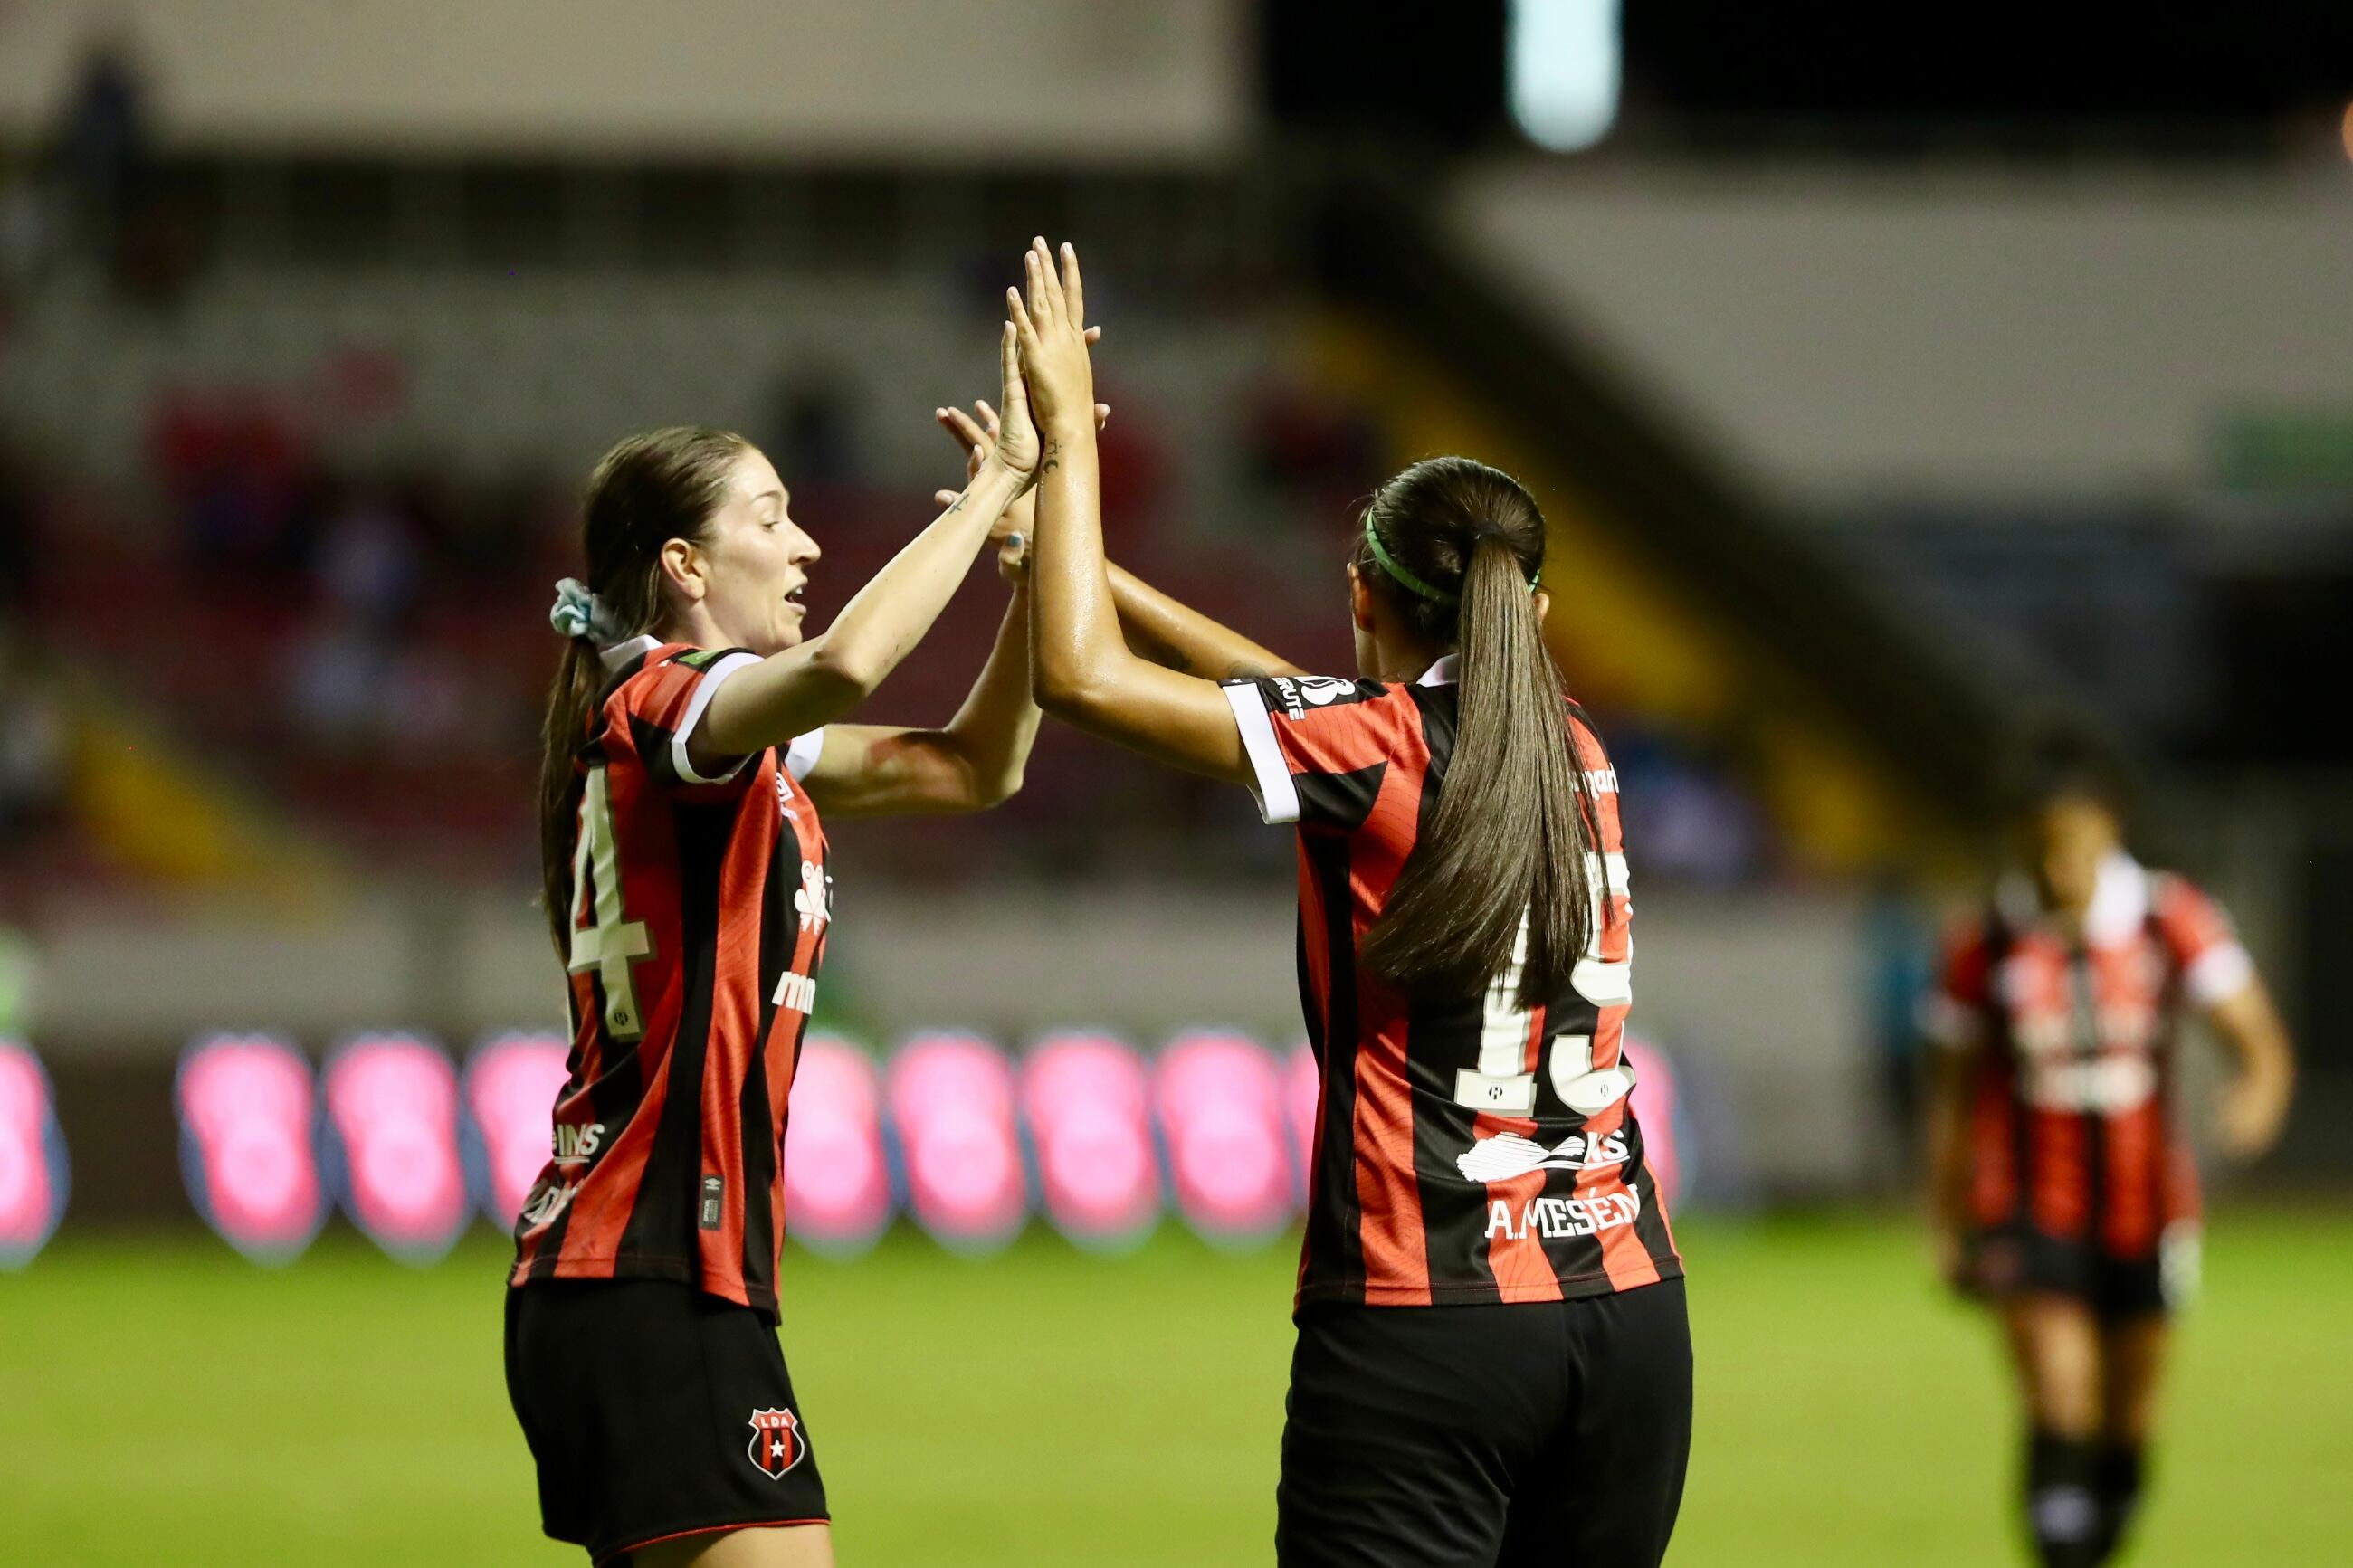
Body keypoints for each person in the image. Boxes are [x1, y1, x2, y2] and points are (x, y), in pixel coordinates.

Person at [1009, 238, 1689, 1567]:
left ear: (1361, 591)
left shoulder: (1371, 754)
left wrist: (1062, 459)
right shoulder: (1578, 753)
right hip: (1626, 1316)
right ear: (1533, 616)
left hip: (1428, 1309)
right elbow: (1310, 708)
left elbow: (1079, 678)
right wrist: (1097, 570)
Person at [505, 324, 1055, 1568]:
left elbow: (975, 767)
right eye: (773, 519)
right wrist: (992, 487)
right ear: (687, 563)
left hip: (642, 1278)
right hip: (649, 1272)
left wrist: (1028, 571)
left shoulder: (715, 738)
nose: (806, 546)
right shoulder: (669, 707)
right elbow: (850, 662)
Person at [1924, 738, 2295, 1568]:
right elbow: (1950, 1092)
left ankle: (2094, 1542)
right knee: (2059, 1399)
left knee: (2128, 1423)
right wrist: (1947, 1217)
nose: (2060, 866)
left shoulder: (2170, 917)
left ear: (2109, 830)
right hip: (2028, 1203)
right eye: (2042, 845)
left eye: (2075, 842)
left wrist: (2257, 1096)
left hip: (2149, 1204)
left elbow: (2257, 1038)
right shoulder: (1983, 941)